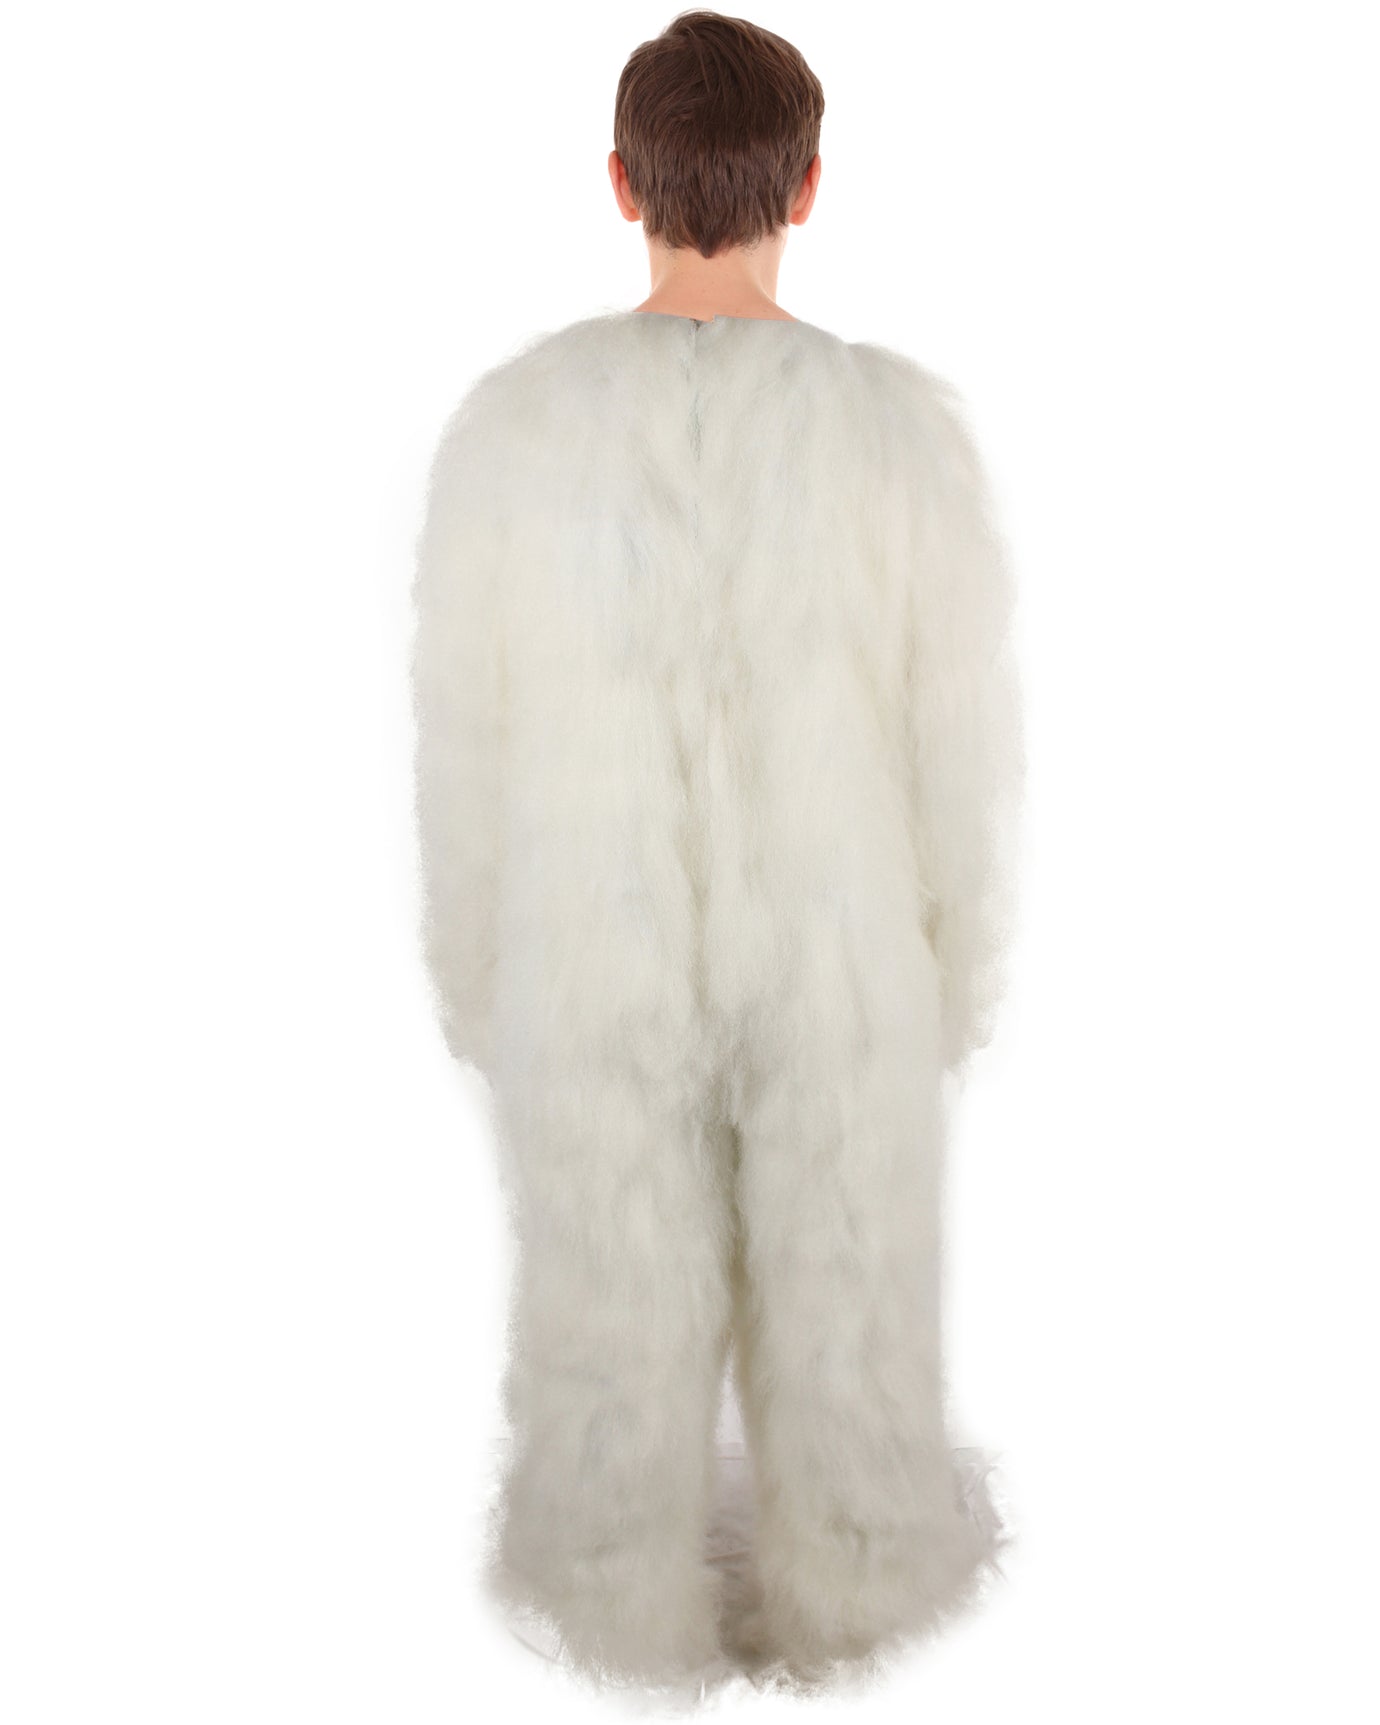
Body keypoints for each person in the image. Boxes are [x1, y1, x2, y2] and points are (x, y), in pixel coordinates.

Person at [409, 7, 1026, 1696]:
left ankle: (610, 1607)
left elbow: (464, 738)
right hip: (838, 945)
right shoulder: (896, 434)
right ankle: (861, 1592)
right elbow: (960, 747)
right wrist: (953, 971)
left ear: (619, 184)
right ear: (808, 186)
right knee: (851, 1289)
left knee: (602, 1286)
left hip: (587, 943)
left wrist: (480, 970)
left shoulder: (513, 431)